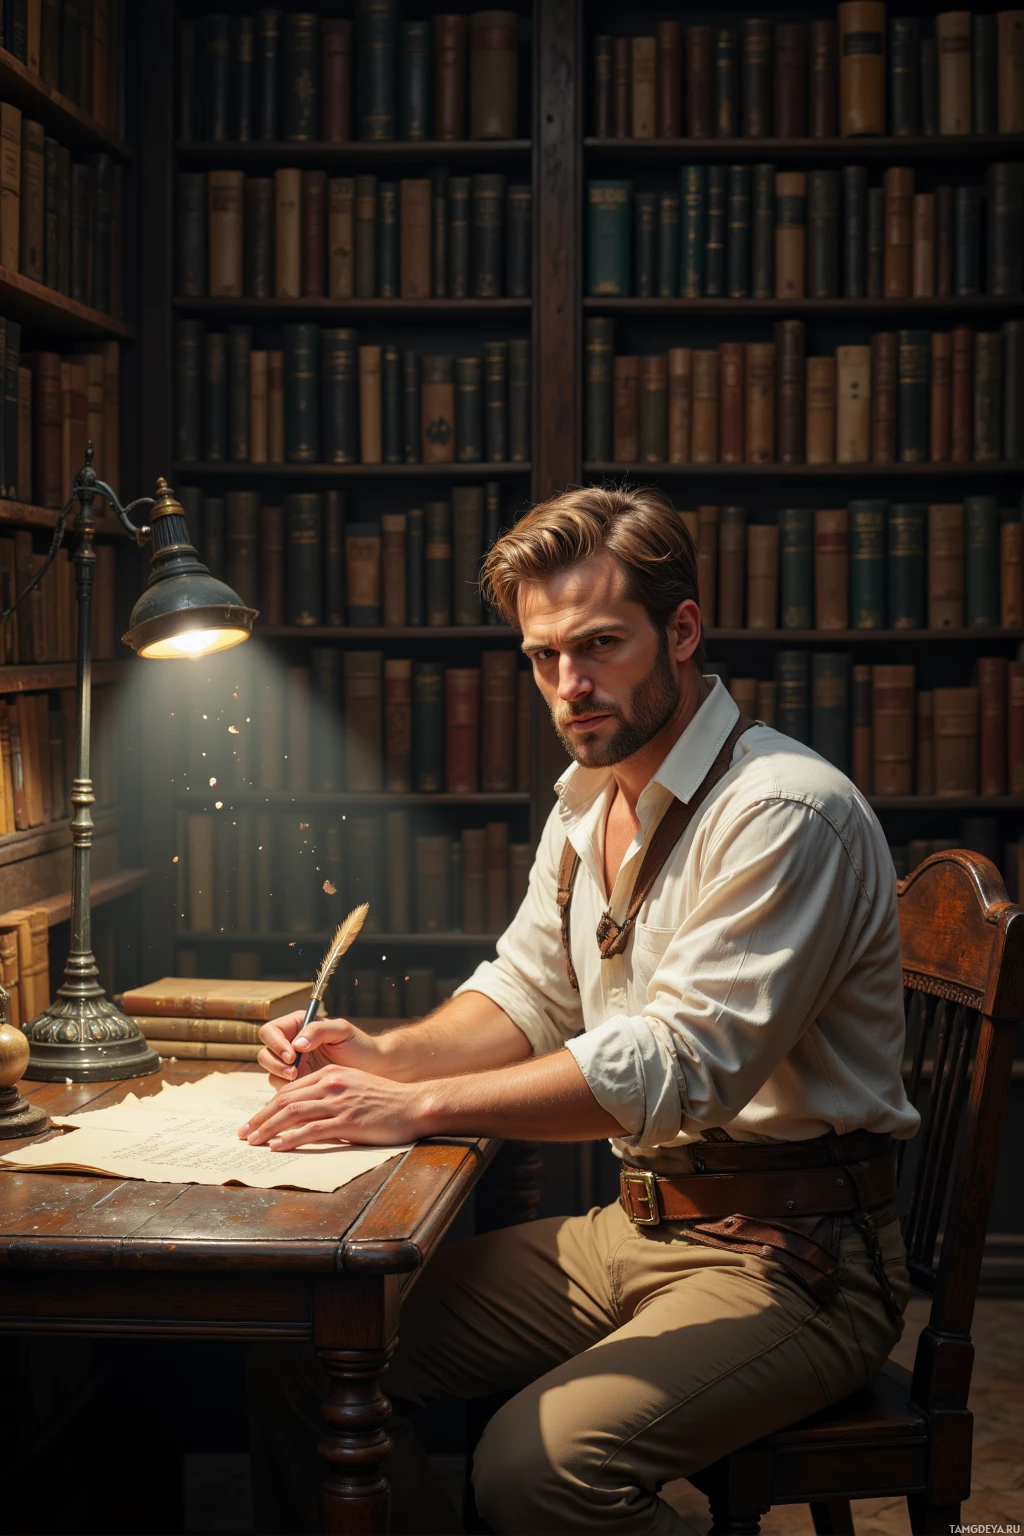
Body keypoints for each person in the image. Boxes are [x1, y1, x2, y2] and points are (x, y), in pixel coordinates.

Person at [245, 484, 919, 1535]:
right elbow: (525, 993)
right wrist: (385, 1055)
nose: (569, 684)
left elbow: (679, 1063)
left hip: (800, 1263)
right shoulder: (585, 806)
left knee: (534, 1472)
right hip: (640, 1226)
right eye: (542, 656)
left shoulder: (784, 811)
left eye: (599, 645)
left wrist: (417, 1110)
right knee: (306, 1354)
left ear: (682, 631)